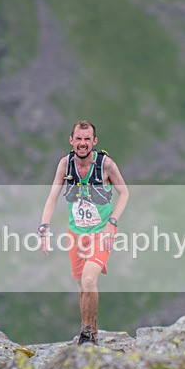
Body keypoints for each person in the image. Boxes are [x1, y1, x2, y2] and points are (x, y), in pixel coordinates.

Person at [38, 120, 129, 345]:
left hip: (102, 232)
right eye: (78, 139)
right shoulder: (65, 165)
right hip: (76, 234)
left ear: (94, 142)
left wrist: (112, 223)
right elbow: (52, 197)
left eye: (87, 139)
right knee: (82, 287)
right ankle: (94, 332)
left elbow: (124, 193)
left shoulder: (106, 165)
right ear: (71, 140)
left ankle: (86, 333)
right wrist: (44, 228)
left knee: (89, 280)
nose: (82, 143)